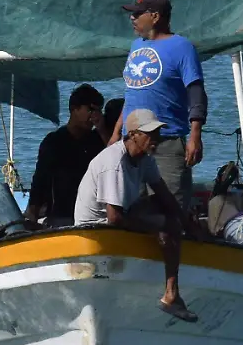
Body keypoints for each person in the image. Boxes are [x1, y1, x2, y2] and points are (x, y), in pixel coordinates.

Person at [73, 108, 198, 322]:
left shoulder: (144, 157)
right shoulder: (114, 163)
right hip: (97, 228)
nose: (156, 139)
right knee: (166, 225)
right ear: (132, 135)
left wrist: (187, 224)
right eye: (150, 134)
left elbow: (164, 194)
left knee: (167, 212)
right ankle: (171, 294)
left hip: (119, 215)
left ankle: (171, 279)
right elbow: (114, 218)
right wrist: (160, 227)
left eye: (158, 133)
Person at [118, 0, 206, 210]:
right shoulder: (136, 46)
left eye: (138, 14)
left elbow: (196, 92)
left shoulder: (182, 47)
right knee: (132, 210)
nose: (133, 18)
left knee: (170, 211)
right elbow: (132, 93)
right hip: (131, 143)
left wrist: (195, 136)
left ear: (155, 16)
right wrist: (114, 134)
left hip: (166, 142)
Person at [25, 83, 107, 228]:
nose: (95, 116)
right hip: (62, 214)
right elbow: (40, 180)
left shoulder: (98, 140)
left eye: (99, 111)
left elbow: (114, 162)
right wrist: (33, 211)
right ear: (75, 109)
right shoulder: (54, 142)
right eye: (91, 110)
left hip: (95, 213)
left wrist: (102, 129)